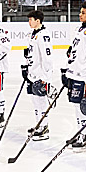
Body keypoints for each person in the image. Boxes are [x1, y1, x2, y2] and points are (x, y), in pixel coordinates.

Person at [62, 0, 86, 152]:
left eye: (83, 13)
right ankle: (80, 133)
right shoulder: (80, 29)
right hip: (75, 75)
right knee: (76, 107)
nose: (80, 15)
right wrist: (68, 70)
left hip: (83, 77)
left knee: (83, 107)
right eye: (80, 12)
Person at [22, 10, 56, 141]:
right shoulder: (32, 34)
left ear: (38, 21)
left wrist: (46, 78)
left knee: (41, 102)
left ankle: (44, 127)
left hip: (40, 76)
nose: (29, 22)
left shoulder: (43, 35)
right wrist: (26, 67)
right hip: (32, 74)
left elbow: (47, 58)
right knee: (35, 102)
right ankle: (38, 124)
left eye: (31, 19)